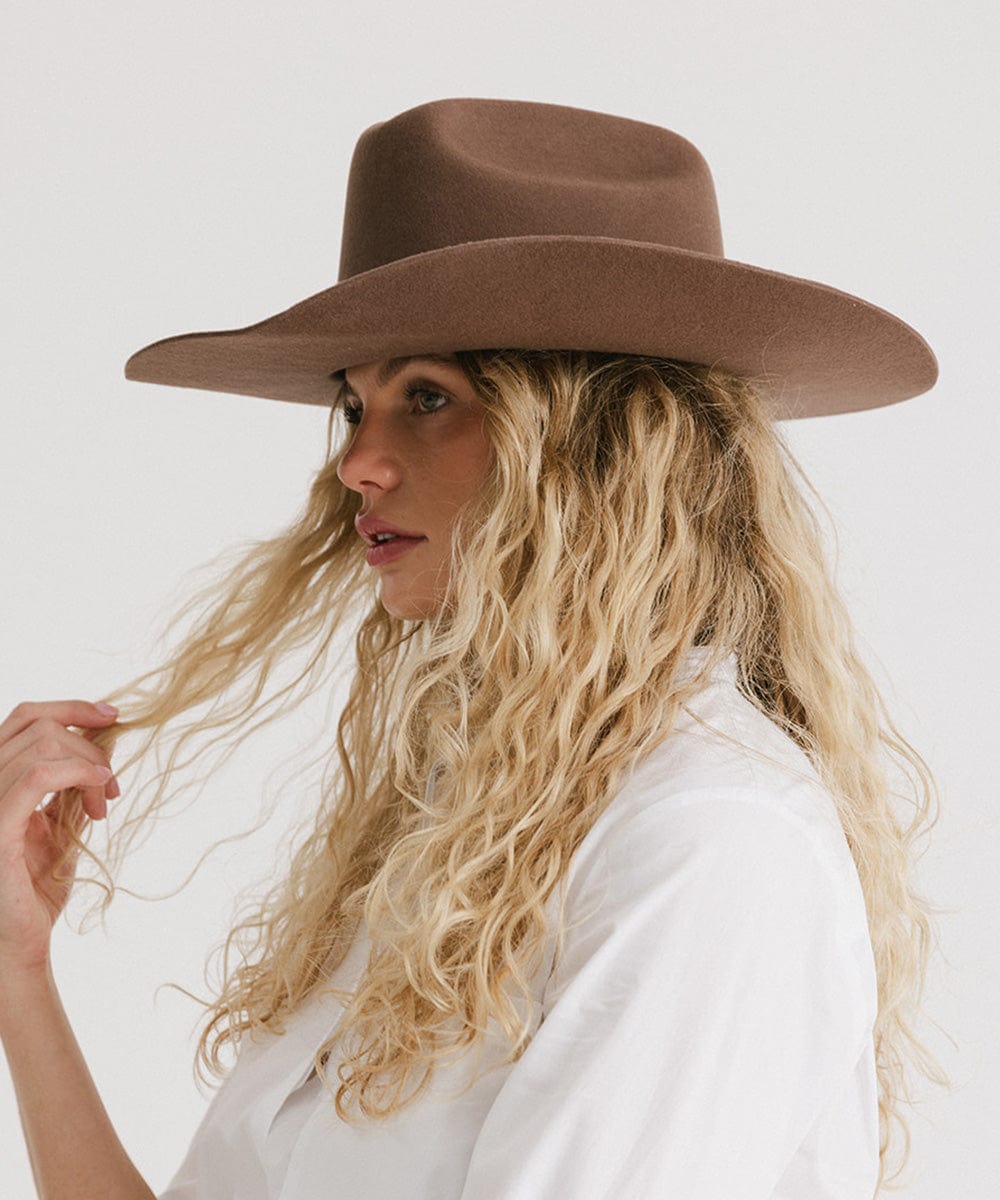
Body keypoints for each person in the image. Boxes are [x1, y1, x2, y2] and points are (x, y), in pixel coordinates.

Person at [0, 97, 949, 1200]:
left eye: (429, 397)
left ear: (603, 444)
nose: (358, 463)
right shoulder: (476, 822)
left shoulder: (705, 841)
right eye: (352, 404)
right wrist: (19, 966)